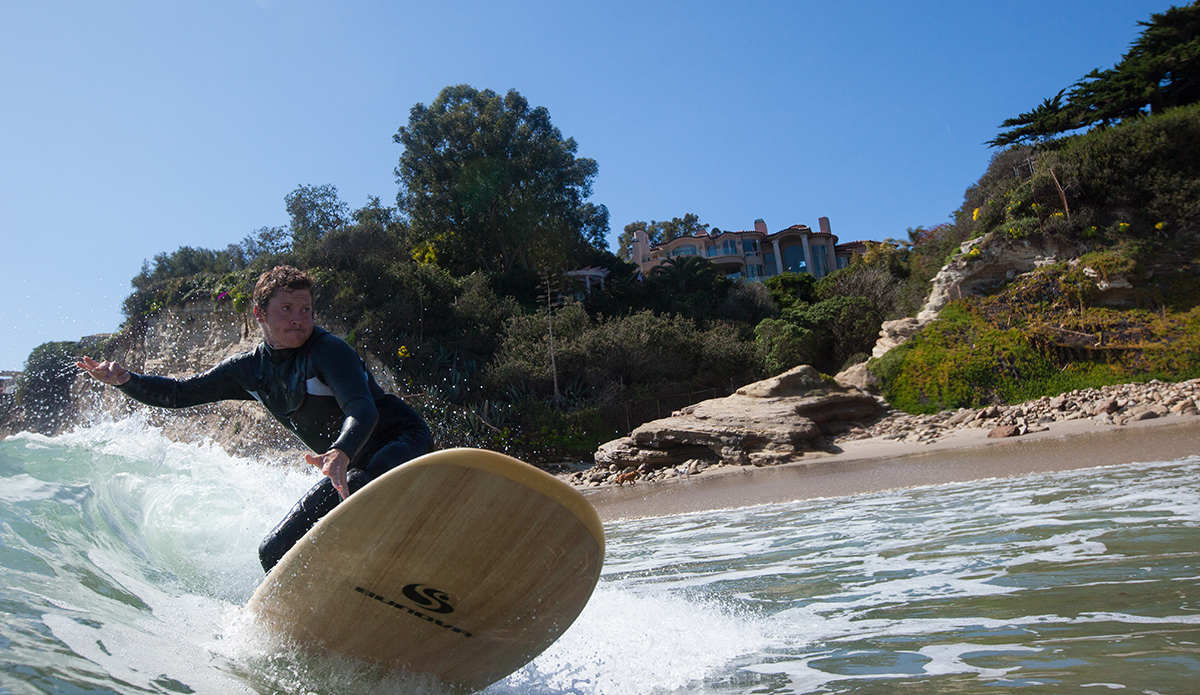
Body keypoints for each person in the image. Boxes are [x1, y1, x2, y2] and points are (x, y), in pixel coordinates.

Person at [77, 265, 433, 572]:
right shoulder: (248, 370)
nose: (299, 317)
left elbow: (362, 408)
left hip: (400, 442)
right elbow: (179, 393)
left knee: (357, 484)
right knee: (274, 552)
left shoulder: (329, 351)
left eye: (306, 309)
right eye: (287, 308)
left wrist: (340, 450)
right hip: (349, 466)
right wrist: (126, 380)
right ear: (259, 314)